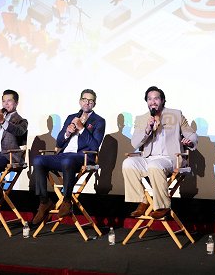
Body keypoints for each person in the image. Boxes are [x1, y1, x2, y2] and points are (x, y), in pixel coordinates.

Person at [32, 89, 106, 225]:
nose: (87, 102)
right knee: (38, 160)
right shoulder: (71, 117)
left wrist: (82, 129)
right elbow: (59, 142)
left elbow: (95, 146)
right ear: (80, 101)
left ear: (94, 104)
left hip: (83, 157)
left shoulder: (99, 121)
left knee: (68, 160)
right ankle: (44, 202)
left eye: (90, 101)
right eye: (84, 99)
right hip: (64, 155)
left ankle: (66, 200)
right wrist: (67, 132)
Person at [122, 86, 197, 219]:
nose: (153, 102)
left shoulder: (176, 114)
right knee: (128, 163)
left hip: (171, 158)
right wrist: (147, 130)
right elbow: (135, 143)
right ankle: (143, 200)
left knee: (155, 165)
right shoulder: (142, 119)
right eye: (149, 99)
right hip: (149, 158)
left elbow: (191, 134)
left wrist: (189, 142)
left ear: (162, 100)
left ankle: (163, 206)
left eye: (156, 98)